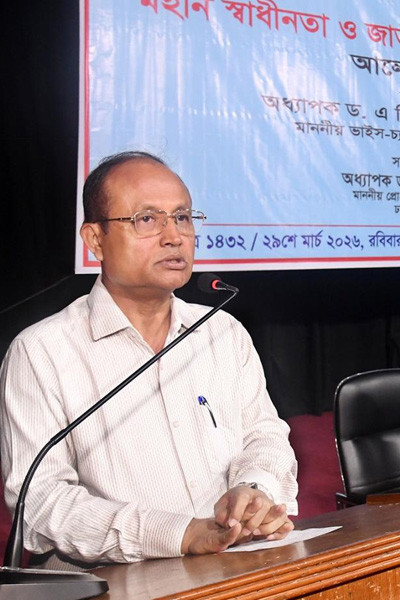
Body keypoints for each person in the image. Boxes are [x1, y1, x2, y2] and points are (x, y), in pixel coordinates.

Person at [0, 151, 298, 568]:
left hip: (236, 567)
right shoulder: (41, 352)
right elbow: (42, 503)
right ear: (95, 239)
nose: (173, 236)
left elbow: (263, 435)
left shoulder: (222, 332)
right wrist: (177, 534)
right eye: (146, 219)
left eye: (182, 217)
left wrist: (255, 491)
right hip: (115, 582)